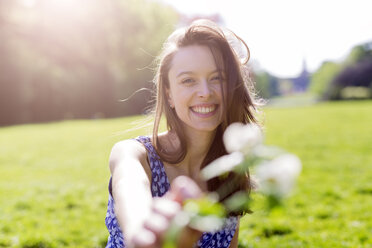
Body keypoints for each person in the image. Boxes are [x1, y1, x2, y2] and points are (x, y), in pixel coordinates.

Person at [105, 19, 261, 248]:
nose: (205, 93)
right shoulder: (134, 154)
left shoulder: (229, 171)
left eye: (217, 78)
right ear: (168, 94)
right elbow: (130, 189)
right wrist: (143, 228)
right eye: (188, 80)